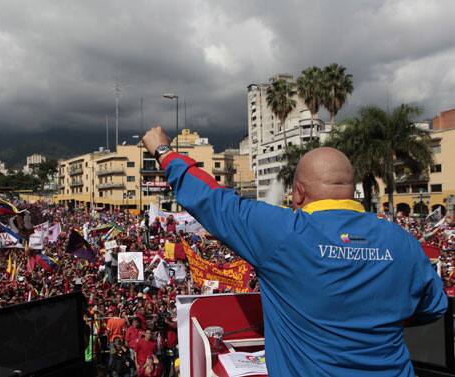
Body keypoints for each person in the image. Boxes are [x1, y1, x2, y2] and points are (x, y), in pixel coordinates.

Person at [142, 126, 448, 377]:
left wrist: (164, 151)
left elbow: (212, 200)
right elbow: (434, 306)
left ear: (299, 192)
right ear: (351, 188)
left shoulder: (283, 233)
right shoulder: (402, 242)